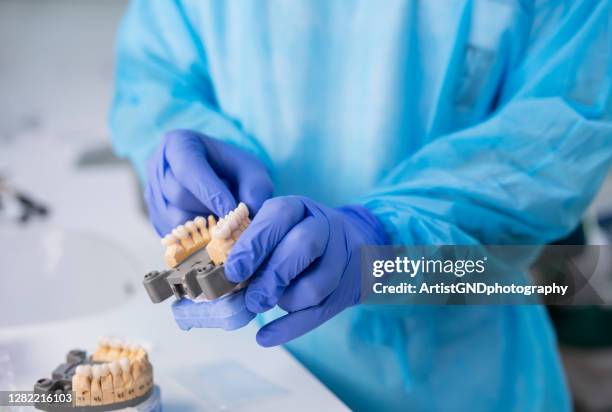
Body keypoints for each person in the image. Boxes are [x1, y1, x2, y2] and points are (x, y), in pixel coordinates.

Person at [109, 1, 612, 410]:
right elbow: (155, 72)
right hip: (243, 377)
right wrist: (186, 155)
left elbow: (559, 134)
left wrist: (383, 241)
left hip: (458, 376)